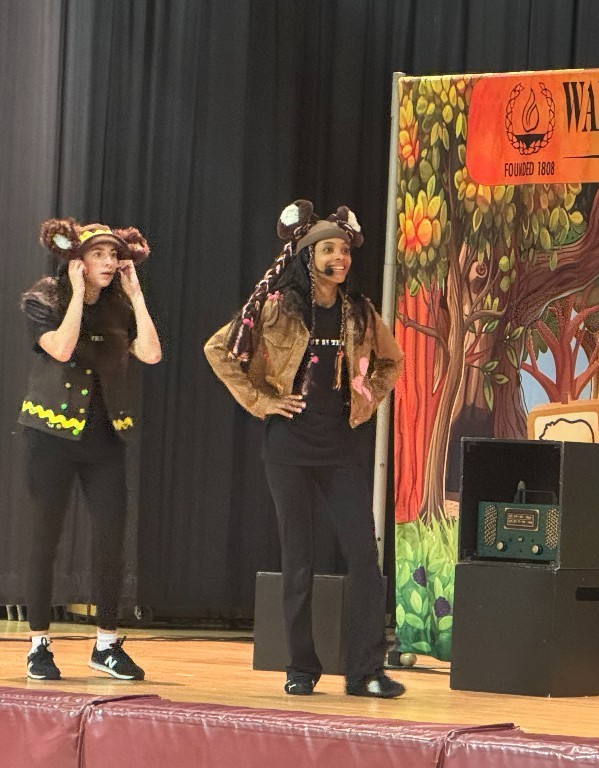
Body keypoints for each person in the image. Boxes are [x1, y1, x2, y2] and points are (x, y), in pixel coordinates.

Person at [205, 200, 405, 698]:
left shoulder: (358, 312)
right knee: (299, 559)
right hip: (289, 449)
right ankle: (301, 665)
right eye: (329, 249)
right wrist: (262, 401)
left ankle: (365, 672)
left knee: (364, 558)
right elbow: (219, 349)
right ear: (307, 255)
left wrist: (365, 397)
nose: (340, 257)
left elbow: (391, 362)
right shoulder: (278, 308)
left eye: (344, 249)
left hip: (340, 450)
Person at [21, 218, 162, 681]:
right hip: (50, 437)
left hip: (105, 437)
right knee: (44, 539)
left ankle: (105, 643)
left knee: (111, 541)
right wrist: (79, 295)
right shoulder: (44, 298)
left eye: (112, 255)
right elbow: (60, 349)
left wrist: (137, 296)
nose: (107, 262)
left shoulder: (121, 305)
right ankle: (39, 643)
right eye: (98, 255)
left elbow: (152, 354)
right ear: (78, 261)